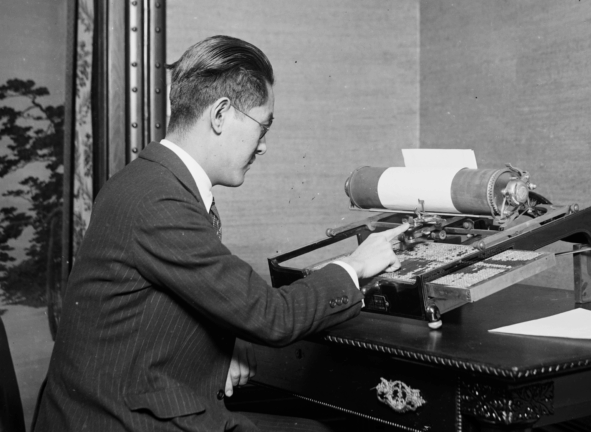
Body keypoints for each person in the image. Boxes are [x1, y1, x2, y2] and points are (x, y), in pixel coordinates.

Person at [33, 35, 407, 432]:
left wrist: (222, 344)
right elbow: (270, 316)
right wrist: (354, 265)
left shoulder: (149, 179)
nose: (262, 147)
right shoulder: (159, 201)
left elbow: (173, 304)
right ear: (220, 114)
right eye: (263, 126)